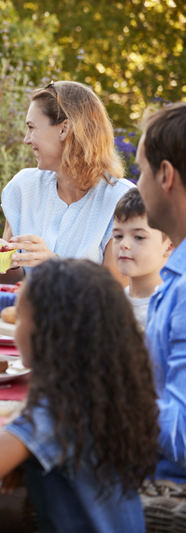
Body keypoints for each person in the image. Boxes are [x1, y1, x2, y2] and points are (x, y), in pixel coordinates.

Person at [0, 258, 159, 532]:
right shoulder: (103, 391)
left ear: (48, 333)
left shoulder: (60, 410)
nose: (14, 331)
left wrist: (18, 433)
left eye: (20, 319)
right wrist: (22, 450)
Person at [0, 81, 133, 284]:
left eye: (31, 128)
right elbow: (12, 282)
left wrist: (55, 264)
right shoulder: (23, 187)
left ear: (64, 129)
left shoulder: (121, 200)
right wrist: (7, 261)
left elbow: (115, 290)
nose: (26, 139)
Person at [135, 102, 186, 482]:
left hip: (162, 485)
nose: (138, 184)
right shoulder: (174, 275)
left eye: (141, 171)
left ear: (165, 175)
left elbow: (180, 435)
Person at [111, 188, 171, 331]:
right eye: (118, 236)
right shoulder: (114, 302)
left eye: (139, 237)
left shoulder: (171, 306)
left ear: (169, 246)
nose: (124, 244)